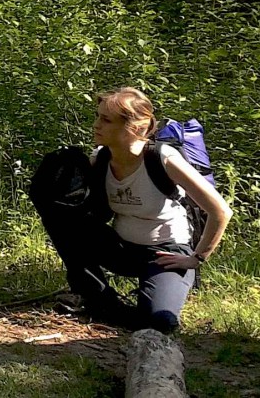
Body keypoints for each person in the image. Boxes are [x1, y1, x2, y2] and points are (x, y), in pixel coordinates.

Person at [36, 87, 232, 333]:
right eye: (97, 116)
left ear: (136, 128)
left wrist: (196, 258)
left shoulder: (163, 159)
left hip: (165, 255)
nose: (96, 124)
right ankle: (100, 299)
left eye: (106, 120)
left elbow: (221, 211)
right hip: (121, 249)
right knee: (60, 220)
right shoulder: (101, 158)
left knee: (160, 322)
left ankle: (153, 295)